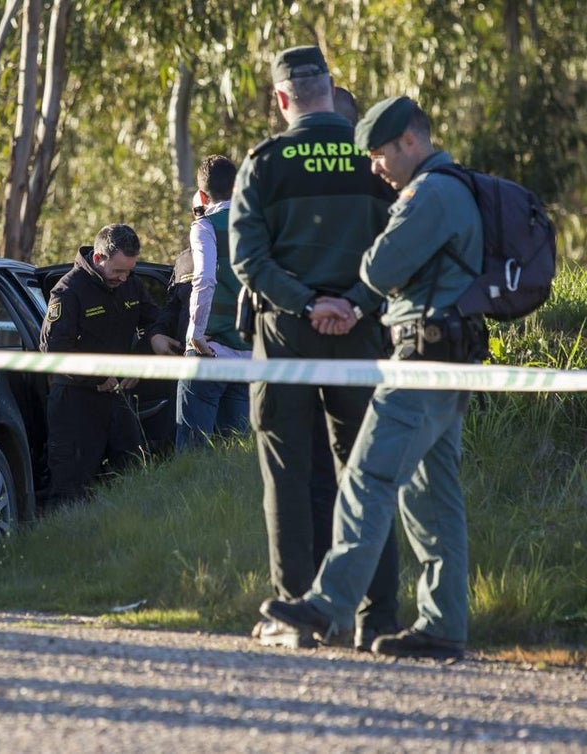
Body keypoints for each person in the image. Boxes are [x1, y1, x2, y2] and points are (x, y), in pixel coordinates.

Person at [262, 97, 486, 660]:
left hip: (421, 359)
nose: (374, 168)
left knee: (366, 478)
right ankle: (443, 625)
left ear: (409, 141)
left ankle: (328, 603)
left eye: (380, 154)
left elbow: (376, 267)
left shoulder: (430, 193)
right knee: (432, 498)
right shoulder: (452, 187)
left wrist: (365, 275)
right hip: (446, 357)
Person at [229, 46, 401, 650]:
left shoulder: (264, 163)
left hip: (285, 339)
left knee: (288, 475)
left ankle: (296, 614)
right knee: (366, 474)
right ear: (330, 88)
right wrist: (352, 303)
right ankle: (378, 617)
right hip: (361, 334)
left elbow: (248, 260)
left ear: (282, 99)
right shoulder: (371, 160)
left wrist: (306, 304)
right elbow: (398, 247)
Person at [40, 223, 170, 507]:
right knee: (71, 486)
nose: (123, 278)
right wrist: (97, 376)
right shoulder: (68, 291)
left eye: (129, 271)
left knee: (134, 471)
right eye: (118, 271)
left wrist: (141, 362)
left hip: (117, 397)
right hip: (75, 399)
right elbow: (54, 350)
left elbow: (155, 322)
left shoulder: (131, 284)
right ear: (99, 258)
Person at [175, 156, 252, 449]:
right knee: (236, 450)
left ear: (202, 195)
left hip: (211, 349)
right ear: (237, 187)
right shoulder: (259, 225)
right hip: (247, 352)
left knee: (192, 449)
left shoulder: (205, 226)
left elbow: (205, 279)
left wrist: (195, 334)